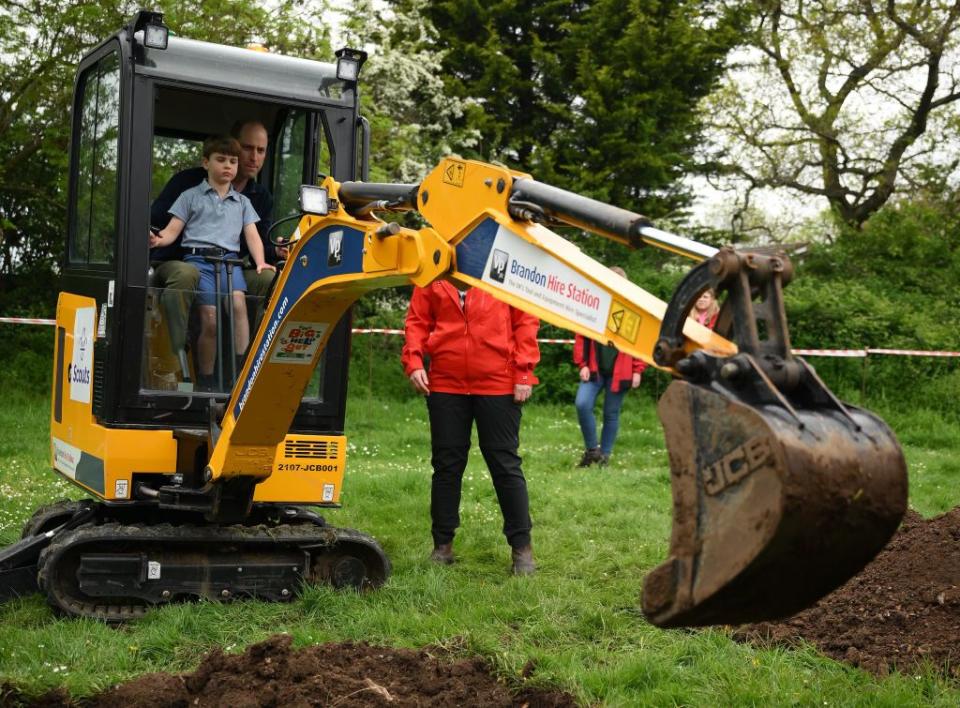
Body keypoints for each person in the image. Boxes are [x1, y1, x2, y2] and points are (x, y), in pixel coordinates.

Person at [402, 281, 541, 576]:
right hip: (445, 384)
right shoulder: (431, 275)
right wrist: (414, 361)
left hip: (498, 384)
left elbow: (526, 320)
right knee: (446, 464)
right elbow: (417, 321)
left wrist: (524, 372)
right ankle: (442, 546)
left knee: (504, 462)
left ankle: (522, 549)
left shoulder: (500, 273)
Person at [150, 135, 274, 391]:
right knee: (211, 320)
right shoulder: (190, 196)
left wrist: (261, 262)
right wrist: (157, 241)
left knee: (239, 306)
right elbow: (173, 230)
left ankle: (241, 371)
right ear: (206, 163)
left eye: (233, 161)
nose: (228, 166)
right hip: (199, 259)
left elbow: (253, 235)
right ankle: (205, 378)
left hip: (230, 262)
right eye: (221, 160)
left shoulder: (243, 202)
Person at [573, 266, 647, 468]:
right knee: (582, 404)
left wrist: (638, 370)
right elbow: (581, 335)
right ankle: (592, 451)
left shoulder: (633, 308)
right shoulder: (593, 303)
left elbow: (641, 342)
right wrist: (583, 364)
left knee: (610, 413)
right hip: (594, 369)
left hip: (620, 372)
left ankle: (604, 457)